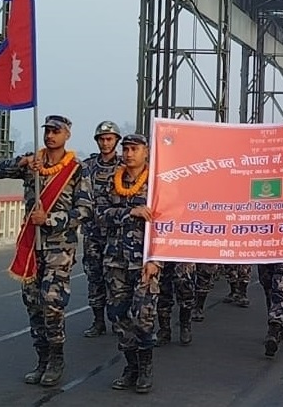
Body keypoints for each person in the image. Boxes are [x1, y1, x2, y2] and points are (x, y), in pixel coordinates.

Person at [0, 115, 90, 387]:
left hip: (59, 245)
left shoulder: (77, 169)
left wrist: (51, 220)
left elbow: (84, 210)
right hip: (32, 245)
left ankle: (56, 359)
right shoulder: (33, 163)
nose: (50, 135)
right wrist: (21, 163)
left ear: (67, 135)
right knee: (33, 303)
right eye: (48, 131)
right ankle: (41, 359)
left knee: (51, 302)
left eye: (56, 131)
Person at [98, 133, 161, 393]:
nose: (129, 153)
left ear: (146, 152)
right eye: (125, 149)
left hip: (145, 262)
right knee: (118, 316)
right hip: (116, 261)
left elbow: (166, 224)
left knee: (143, 316)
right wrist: (129, 211)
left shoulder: (157, 183)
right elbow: (100, 214)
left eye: (134, 149)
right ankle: (131, 366)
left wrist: (156, 259)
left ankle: (145, 368)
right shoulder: (112, 181)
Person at [81, 120, 122, 338]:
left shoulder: (125, 166)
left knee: (116, 279)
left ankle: (117, 320)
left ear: (116, 141)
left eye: (109, 139)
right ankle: (98, 321)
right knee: (94, 277)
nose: (105, 143)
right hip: (92, 233)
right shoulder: (87, 166)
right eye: (102, 139)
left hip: (116, 233)